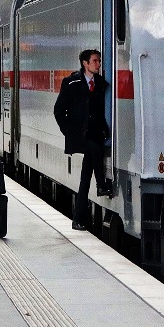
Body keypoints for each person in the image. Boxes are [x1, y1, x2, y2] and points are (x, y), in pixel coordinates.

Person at [54, 49, 113, 230]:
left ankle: (78, 220)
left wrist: (105, 130)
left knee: (85, 179)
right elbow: (58, 110)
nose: (98, 64)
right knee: (96, 149)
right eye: (95, 61)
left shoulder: (101, 84)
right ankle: (101, 185)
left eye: (99, 61)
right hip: (79, 137)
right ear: (85, 63)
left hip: (95, 134)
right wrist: (68, 131)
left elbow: (99, 111)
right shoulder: (71, 83)